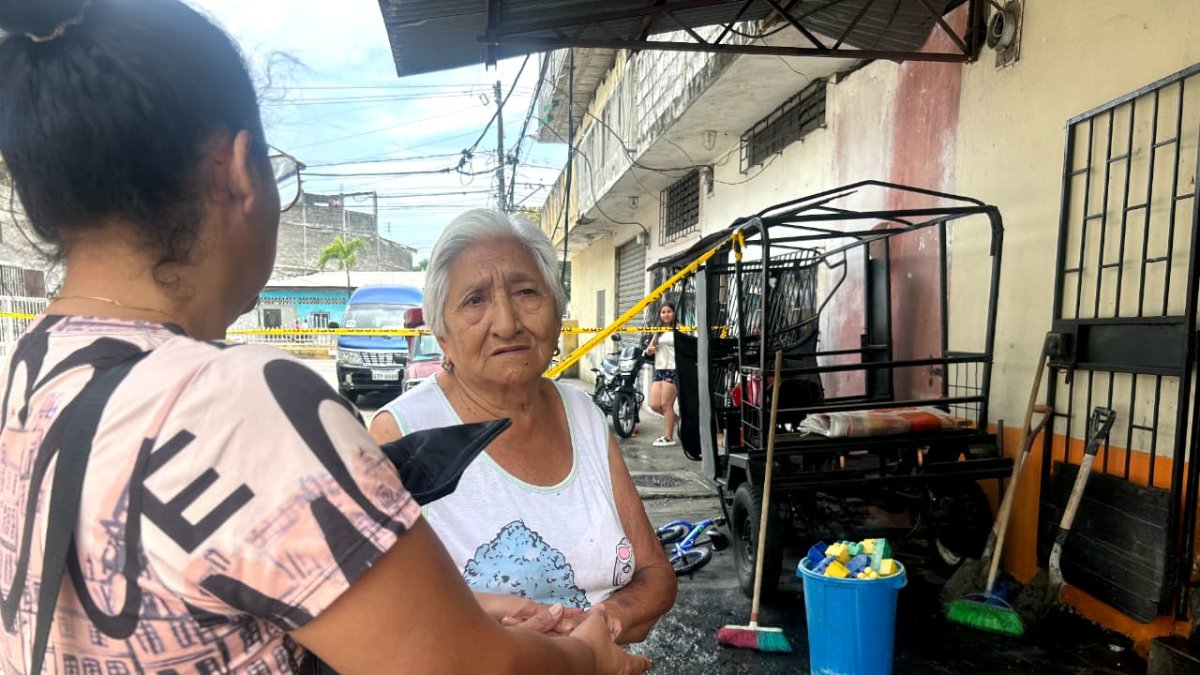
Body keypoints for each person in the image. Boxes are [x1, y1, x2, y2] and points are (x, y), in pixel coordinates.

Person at [0, 1, 648, 673]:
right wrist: (587, 657)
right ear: (238, 171)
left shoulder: (32, 373)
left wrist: (470, 610)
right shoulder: (236, 401)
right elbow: (472, 667)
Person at [370, 210, 677, 645]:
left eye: (527, 292)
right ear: (442, 334)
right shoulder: (401, 434)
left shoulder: (583, 413)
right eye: (475, 300)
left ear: (556, 314)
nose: (507, 323)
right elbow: (382, 618)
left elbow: (655, 574)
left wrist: (600, 624)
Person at [644, 303, 678, 447]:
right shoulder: (658, 331)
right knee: (654, 405)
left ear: (674, 313)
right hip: (659, 369)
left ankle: (668, 437)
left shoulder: (680, 328)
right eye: (663, 312)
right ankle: (678, 421)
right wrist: (650, 350)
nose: (666, 314)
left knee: (665, 404)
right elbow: (649, 350)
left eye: (669, 311)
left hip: (673, 368)